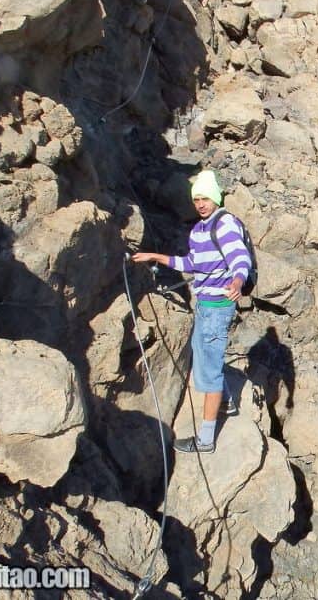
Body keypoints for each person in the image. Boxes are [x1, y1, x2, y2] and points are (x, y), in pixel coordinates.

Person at [132, 170, 251, 454]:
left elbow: (239, 257)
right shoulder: (199, 229)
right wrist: (155, 256)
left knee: (208, 371)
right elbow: (192, 264)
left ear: (216, 197)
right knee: (203, 354)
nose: (200, 203)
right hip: (205, 305)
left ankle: (206, 440)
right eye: (196, 199)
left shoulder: (224, 225)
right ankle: (227, 401)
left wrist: (237, 281)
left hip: (216, 308)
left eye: (205, 198)